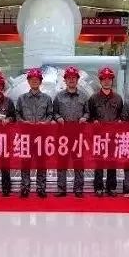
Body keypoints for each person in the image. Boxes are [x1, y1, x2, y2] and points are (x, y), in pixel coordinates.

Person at [16, 67, 54, 198]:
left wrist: (46, 123)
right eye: (32, 79)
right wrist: (23, 122)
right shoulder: (21, 99)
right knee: (25, 162)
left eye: (37, 79)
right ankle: (25, 187)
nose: (34, 81)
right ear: (28, 81)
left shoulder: (47, 99)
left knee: (41, 163)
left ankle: (41, 188)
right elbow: (17, 114)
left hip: (41, 136)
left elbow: (50, 114)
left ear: (40, 82)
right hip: (26, 136)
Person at [53, 66, 89, 197]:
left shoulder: (84, 96)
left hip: (78, 135)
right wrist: (58, 117)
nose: (71, 80)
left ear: (77, 79)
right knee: (62, 162)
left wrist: (85, 117)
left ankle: (78, 189)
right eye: (69, 78)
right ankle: (61, 188)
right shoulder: (59, 97)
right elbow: (54, 112)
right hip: (62, 135)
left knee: (78, 162)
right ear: (65, 80)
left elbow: (88, 112)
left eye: (74, 77)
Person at [88, 67, 124, 197]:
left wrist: (119, 122)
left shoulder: (118, 99)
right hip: (99, 136)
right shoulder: (93, 98)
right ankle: (98, 187)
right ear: (100, 81)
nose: (107, 81)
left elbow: (121, 115)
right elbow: (89, 116)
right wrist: (94, 121)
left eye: (109, 79)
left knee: (112, 162)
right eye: (104, 79)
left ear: (112, 81)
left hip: (113, 136)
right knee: (99, 162)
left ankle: (111, 187)